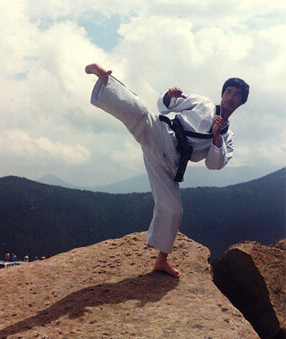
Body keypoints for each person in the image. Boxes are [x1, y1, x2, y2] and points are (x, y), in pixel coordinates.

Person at [85, 63, 249, 277]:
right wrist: (168, 96)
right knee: (143, 113)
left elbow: (214, 164)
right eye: (228, 92)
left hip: (172, 163)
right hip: (164, 134)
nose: (231, 97)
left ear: (241, 102)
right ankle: (104, 80)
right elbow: (168, 103)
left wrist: (217, 135)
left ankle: (161, 261)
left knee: (173, 209)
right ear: (222, 94)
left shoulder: (228, 137)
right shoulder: (203, 103)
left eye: (236, 95)